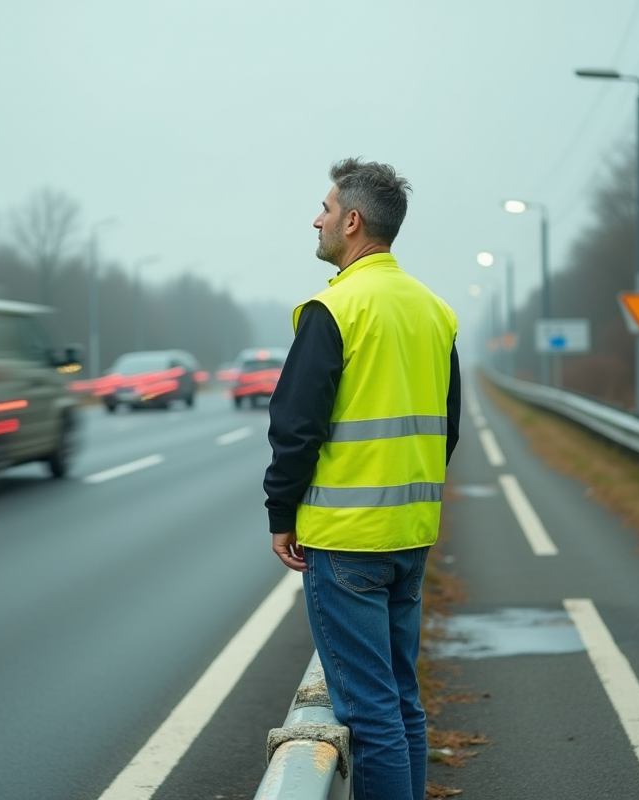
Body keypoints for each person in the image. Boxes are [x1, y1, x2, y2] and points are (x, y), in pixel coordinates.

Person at [264, 157, 461, 800]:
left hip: (346, 541)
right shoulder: (434, 311)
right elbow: (447, 429)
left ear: (352, 222)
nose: (315, 219)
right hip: (410, 535)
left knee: (369, 713)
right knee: (403, 703)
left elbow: (296, 428)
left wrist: (281, 514)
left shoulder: (333, 308)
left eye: (324, 209)